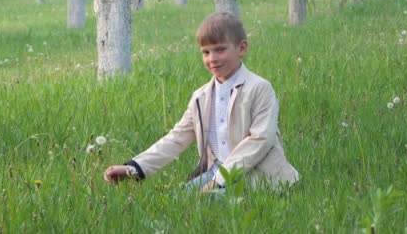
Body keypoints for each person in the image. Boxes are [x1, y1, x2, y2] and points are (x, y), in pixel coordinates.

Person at [103, 12, 299, 192]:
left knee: (210, 204)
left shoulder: (259, 88)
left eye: (220, 50)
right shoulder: (201, 96)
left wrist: (218, 181)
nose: (212, 58)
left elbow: (260, 140)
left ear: (242, 48)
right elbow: (176, 139)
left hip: (258, 177)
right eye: (206, 52)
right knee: (176, 203)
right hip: (216, 172)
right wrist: (133, 169)